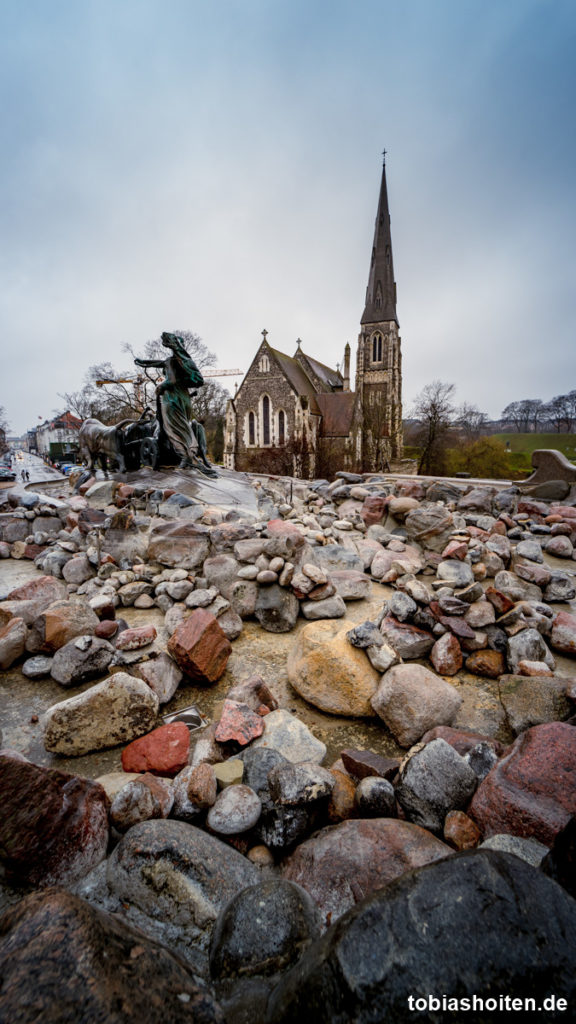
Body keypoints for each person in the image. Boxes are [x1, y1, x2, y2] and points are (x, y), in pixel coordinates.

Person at [135, 332, 217, 476]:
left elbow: (171, 381)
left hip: (172, 398)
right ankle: (190, 455)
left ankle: (187, 457)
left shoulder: (171, 362)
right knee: (184, 426)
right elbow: (155, 362)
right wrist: (143, 362)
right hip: (184, 398)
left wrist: (160, 387)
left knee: (174, 430)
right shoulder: (184, 362)